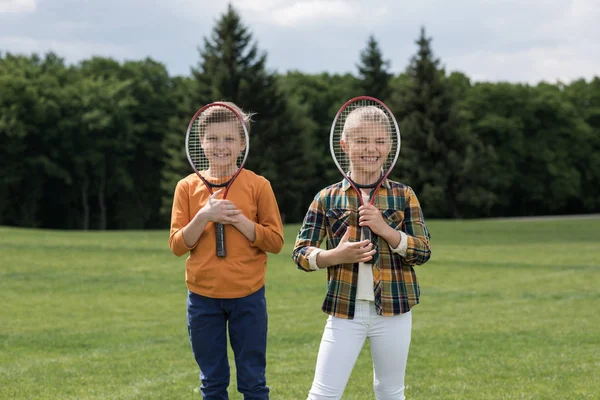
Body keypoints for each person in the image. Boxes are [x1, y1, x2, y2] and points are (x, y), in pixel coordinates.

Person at [292, 105, 432, 400]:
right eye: (361, 141)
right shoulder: (326, 198)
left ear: (390, 145)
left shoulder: (403, 195)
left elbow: (422, 251)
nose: (372, 149)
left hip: (394, 311)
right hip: (345, 312)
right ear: (344, 145)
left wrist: (387, 230)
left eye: (380, 141)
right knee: (323, 394)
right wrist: (335, 256)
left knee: (390, 391)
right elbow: (301, 253)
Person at [169, 102, 284, 400]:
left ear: (243, 143)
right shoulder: (186, 187)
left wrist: (241, 222)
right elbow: (177, 245)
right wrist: (204, 216)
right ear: (201, 142)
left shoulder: (259, 185)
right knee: (212, 382)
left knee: (253, 382)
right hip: (202, 300)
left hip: (248, 296)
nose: (221, 146)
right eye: (213, 138)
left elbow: (275, 242)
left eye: (230, 139)